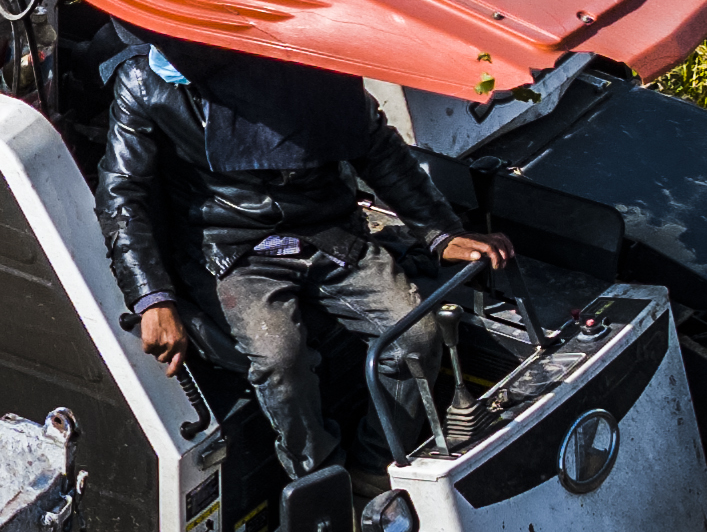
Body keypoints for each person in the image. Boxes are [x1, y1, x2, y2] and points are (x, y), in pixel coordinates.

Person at [94, 33, 512, 488]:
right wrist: (152, 298)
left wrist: (438, 231)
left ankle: (374, 468)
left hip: (325, 227)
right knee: (280, 359)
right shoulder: (141, 83)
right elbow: (122, 198)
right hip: (230, 248)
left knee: (417, 337)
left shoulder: (299, 55)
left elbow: (374, 144)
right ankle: (321, 485)